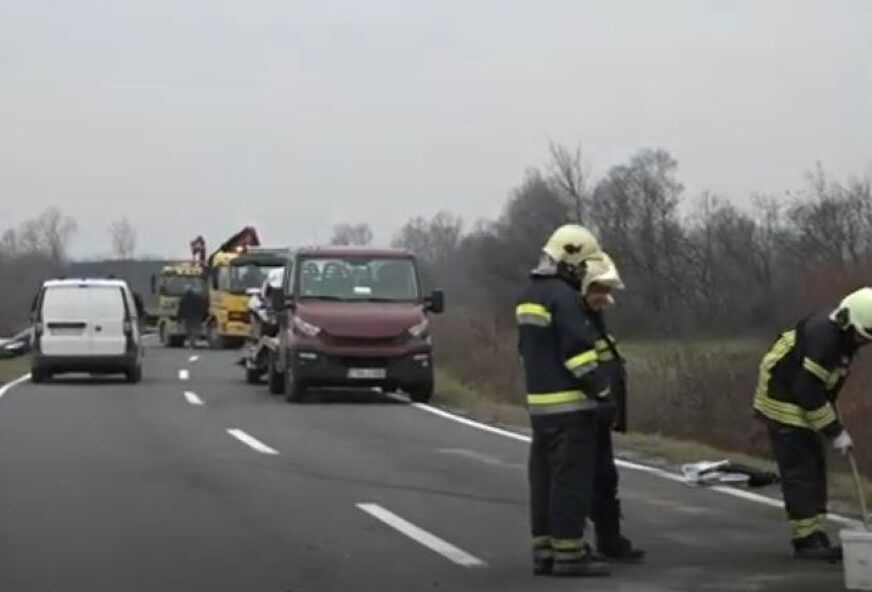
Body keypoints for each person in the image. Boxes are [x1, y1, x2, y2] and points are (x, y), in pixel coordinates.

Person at [515, 224, 611, 577]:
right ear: (570, 260)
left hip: (540, 405)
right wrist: (602, 388)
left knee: (543, 480)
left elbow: (526, 350)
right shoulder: (565, 298)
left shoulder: (529, 294)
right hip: (571, 406)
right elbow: (578, 354)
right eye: (585, 264)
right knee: (570, 481)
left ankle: (544, 551)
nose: (586, 272)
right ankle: (569, 553)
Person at [753, 287, 872, 561]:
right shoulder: (825, 339)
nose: (864, 343)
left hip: (803, 396)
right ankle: (805, 540)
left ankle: (816, 532)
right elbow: (806, 390)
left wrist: (830, 415)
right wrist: (835, 431)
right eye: (863, 337)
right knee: (801, 468)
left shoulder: (845, 339)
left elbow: (825, 385)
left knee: (816, 465)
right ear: (847, 322)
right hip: (782, 398)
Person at [578, 253, 645, 563]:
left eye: (607, 291)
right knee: (579, 480)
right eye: (598, 291)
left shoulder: (593, 318)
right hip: (580, 413)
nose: (603, 298)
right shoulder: (574, 319)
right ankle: (576, 543)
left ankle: (610, 540)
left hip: (600, 413)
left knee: (605, 477)